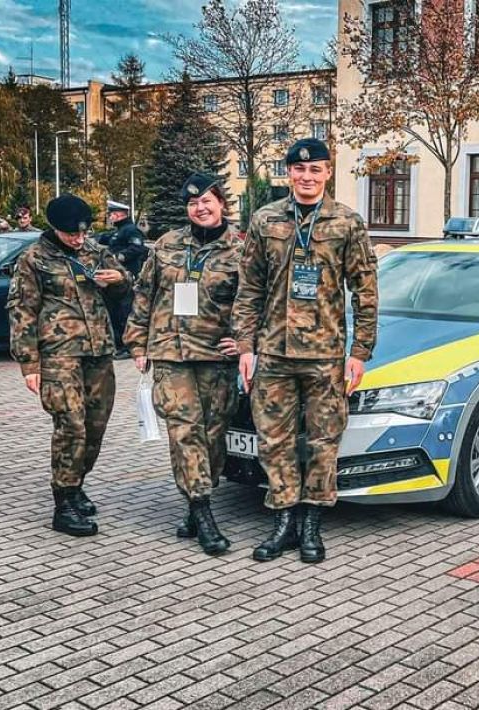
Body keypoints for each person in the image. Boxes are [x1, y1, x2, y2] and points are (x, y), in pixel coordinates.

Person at [233, 138, 379, 564]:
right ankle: (283, 522)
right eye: (299, 171)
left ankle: (312, 522)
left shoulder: (347, 223)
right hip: (273, 354)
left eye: (315, 170)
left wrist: (360, 352)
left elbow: (365, 293)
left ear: (328, 172)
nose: (307, 177)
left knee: (322, 442)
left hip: (325, 355)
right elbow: (250, 289)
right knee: (274, 441)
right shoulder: (265, 220)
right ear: (289, 174)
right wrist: (245, 346)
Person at [125, 174, 241, 556]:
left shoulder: (241, 250)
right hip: (171, 354)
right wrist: (137, 341)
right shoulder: (167, 245)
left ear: (222, 203)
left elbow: (255, 302)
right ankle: (204, 515)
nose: (200, 208)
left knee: (213, 437)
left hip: (216, 357)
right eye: (193, 204)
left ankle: (196, 506)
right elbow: (145, 293)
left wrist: (245, 342)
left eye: (207, 201)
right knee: (184, 432)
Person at [7, 194, 132, 536]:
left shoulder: (94, 250)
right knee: (71, 426)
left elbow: (125, 288)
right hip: (58, 355)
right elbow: (21, 312)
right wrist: (29, 364)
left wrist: (118, 281)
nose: (78, 239)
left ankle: (75, 485)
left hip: (99, 352)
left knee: (95, 427)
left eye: (82, 232)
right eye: (70, 234)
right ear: (54, 228)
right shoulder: (34, 258)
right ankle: (63, 504)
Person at [102, 199, 149, 359]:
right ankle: (119, 346)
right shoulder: (118, 231)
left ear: (122, 214)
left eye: (113, 214)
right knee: (115, 313)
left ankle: (127, 347)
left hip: (127, 278)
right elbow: (104, 240)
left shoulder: (130, 230)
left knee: (124, 313)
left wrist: (117, 258)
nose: (111, 217)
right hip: (115, 280)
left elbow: (137, 248)